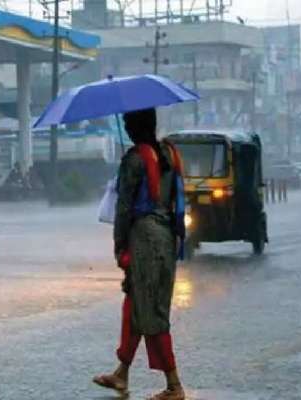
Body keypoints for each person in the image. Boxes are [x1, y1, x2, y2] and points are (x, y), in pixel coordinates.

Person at [93, 108, 187, 400]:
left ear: (135, 126)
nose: (126, 126)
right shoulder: (171, 154)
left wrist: (120, 245)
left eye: (127, 122)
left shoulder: (134, 160)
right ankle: (121, 373)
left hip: (144, 239)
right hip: (166, 237)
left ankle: (174, 385)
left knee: (151, 311)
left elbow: (123, 209)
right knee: (136, 306)